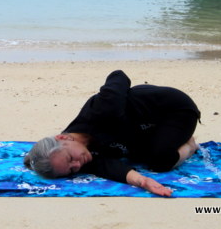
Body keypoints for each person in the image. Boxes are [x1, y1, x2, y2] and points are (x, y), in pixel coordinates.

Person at [24, 70, 201, 196]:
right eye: (71, 171)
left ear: (63, 138)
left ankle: (190, 145)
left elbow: (119, 75)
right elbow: (109, 168)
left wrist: (118, 99)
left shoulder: (102, 111)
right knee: (142, 159)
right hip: (146, 128)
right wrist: (143, 181)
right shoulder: (80, 157)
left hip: (174, 109)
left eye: (71, 159)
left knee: (160, 160)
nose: (77, 166)